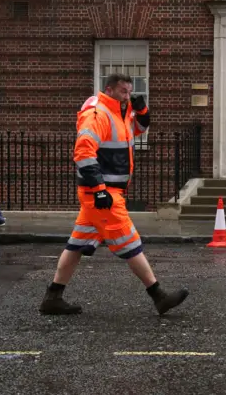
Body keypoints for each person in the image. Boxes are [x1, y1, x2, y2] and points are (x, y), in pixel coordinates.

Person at [39, 74, 189, 316]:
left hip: (107, 192)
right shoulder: (97, 114)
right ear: (109, 89)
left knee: (77, 245)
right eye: (123, 91)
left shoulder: (122, 112)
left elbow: (137, 131)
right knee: (130, 242)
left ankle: (53, 297)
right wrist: (98, 190)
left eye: (130, 92)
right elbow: (83, 152)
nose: (127, 96)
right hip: (103, 194)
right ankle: (158, 295)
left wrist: (143, 112)